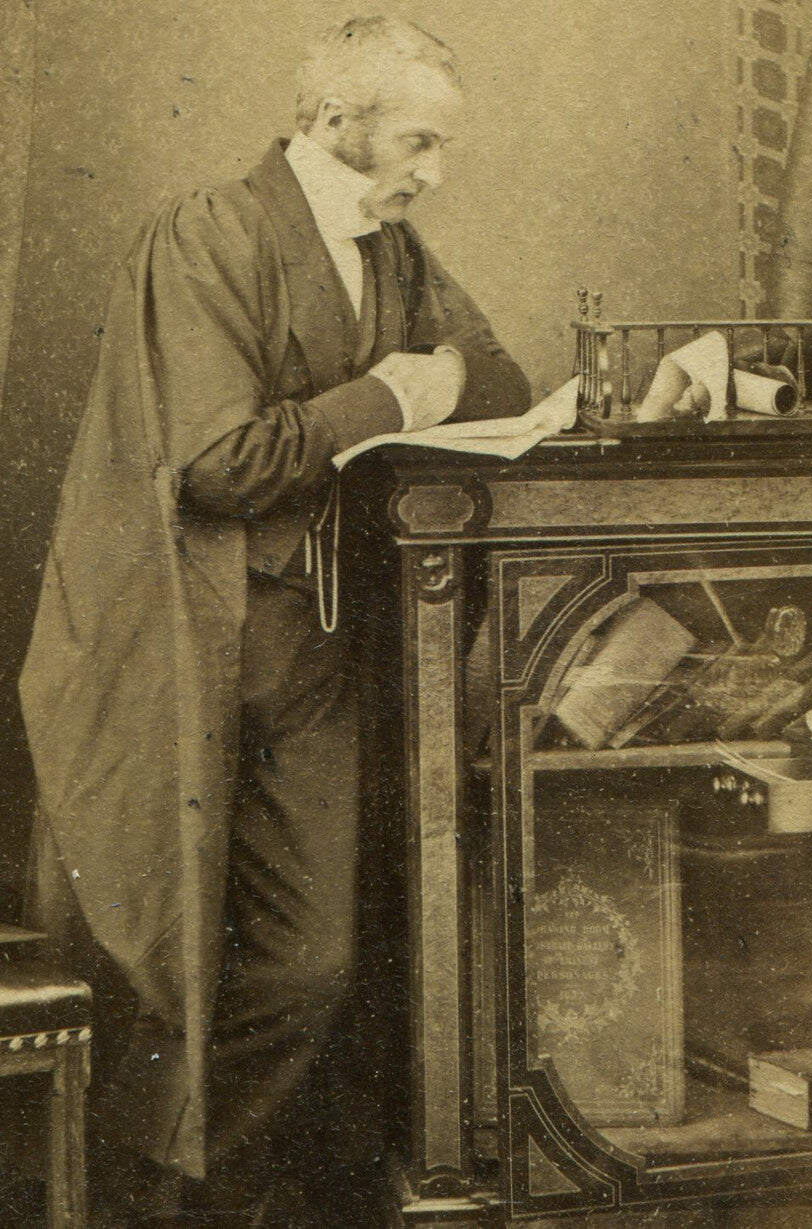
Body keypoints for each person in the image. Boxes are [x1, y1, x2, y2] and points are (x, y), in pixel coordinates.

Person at [19, 15, 531, 1225]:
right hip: (178, 647)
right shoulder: (210, 235)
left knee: (311, 961)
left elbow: (495, 373)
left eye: (443, 146)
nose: (433, 172)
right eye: (418, 141)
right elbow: (218, 462)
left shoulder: (394, 250)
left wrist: (434, 378)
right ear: (336, 122)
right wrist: (388, 391)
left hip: (310, 652)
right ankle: (164, 1199)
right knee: (160, 956)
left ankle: (198, 1189)